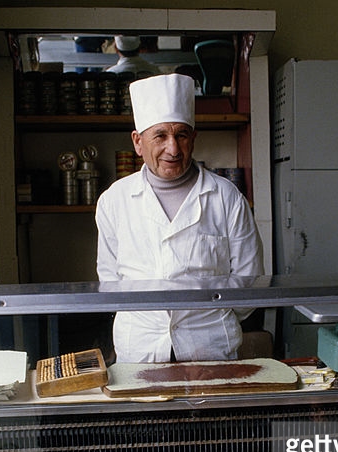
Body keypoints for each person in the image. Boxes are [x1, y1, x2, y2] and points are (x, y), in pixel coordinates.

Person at [95, 73, 264, 363]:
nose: (172, 149)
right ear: (138, 142)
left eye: (181, 135)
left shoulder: (226, 197)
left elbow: (249, 279)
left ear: (193, 138)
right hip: (140, 348)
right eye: (160, 135)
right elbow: (110, 280)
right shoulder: (114, 200)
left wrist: (209, 320)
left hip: (210, 347)